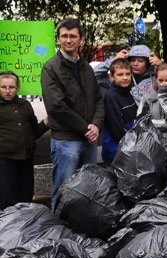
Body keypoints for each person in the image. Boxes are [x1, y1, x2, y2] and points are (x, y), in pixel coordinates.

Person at [41, 18, 104, 209]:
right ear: (58, 39)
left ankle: (81, 233)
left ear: (80, 39)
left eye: (73, 36)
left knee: (87, 191)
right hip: (66, 141)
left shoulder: (86, 68)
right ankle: (59, 232)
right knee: (64, 192)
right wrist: (86, 128)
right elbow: (56, 107)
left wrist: (96, 124)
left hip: (89, 140)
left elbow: (98, 99)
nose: (69, 40)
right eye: (64, 36)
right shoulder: (51, 67)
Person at [0, 71, 48, 210]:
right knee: (7, 200)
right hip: (4, 160)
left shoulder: (25, 104)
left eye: (11, 87)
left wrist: (45, 123)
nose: (8, 91)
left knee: (26, 198)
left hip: (26, 159)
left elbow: (34, 132)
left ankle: (25, 228)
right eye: (3, 87)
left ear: (17, 88)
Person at [95, 44, 163, 104]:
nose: (135, 64)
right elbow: (94, 75)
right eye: (133, 60)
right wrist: (114, 60)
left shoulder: (157, 78)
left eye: (140, 61)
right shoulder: (121, 79)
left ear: (148, 63)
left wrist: (161, 65)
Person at [101, 58, 137, 164]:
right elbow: (117, 129)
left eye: (128, 74)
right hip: (117, 152)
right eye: (120, 75)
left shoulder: (128, 93)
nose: (125, 78)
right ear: (111, 77)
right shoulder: (111, 97)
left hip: (129, 148)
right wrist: (133, 145)